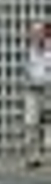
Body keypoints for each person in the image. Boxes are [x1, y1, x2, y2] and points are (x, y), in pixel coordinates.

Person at [24, 22, 51, 168]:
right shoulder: (29, 50)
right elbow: (27, 70)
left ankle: (48, 155)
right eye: (34, 33)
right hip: (32, 90)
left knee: (48, 122)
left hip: (48, 90)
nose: (36, 36)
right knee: (31, 123)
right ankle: (32, 157)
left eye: (39, 33)